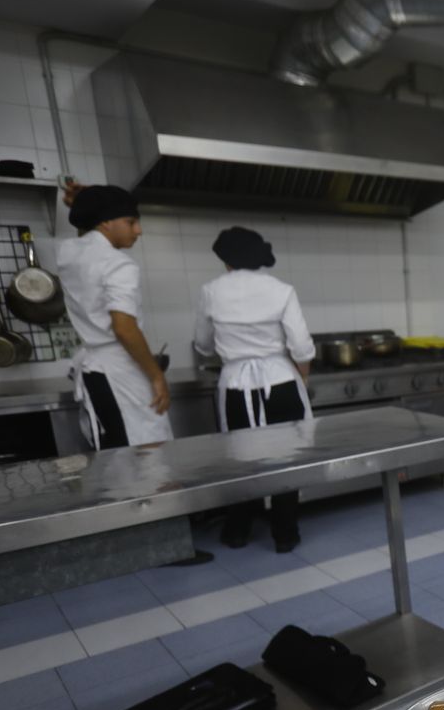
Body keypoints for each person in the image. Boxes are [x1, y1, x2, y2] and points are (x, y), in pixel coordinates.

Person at [193, 226, 316, 553]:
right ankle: (285, 534)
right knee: (287, 459)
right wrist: (300, 379)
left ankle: (237, 531)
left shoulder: (211, 291)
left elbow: (203, 345)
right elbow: (302, 348)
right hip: (281, 381)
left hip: (236, 386)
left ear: (226, 260)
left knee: (240, 461)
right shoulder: (281, 290)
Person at [57, 184, 170, 448]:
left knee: (121, 452)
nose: (138, 230)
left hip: (95, 372)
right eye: (131, 222)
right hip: (121, 372)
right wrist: (156, 376)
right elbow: (124, 328)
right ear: (106, 223)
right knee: (149, 456)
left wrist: (84, 204)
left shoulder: (69, 253)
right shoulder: (118, 263)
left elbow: (86, 235)